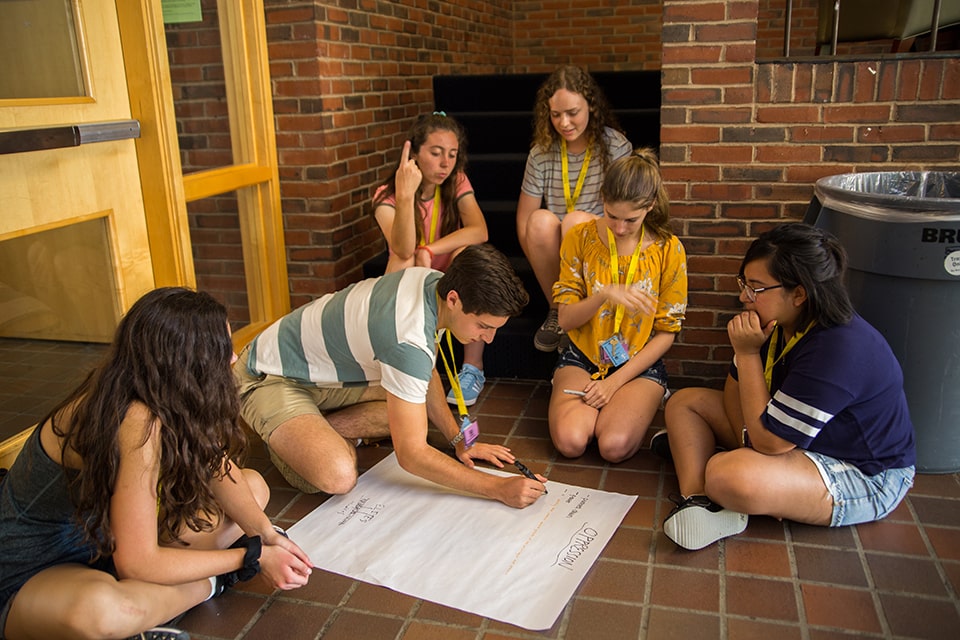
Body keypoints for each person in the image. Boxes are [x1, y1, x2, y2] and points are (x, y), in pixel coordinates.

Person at [0, 288, 312, 640]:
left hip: (106, 546)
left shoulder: (158, 391)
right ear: (186, 362)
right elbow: (137, 564)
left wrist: (266, 535)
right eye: (222, 349)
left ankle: (164, 599)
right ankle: (209, 584)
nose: (233, 357)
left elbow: (217, 467)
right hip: (32, 573)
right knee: (102, 612)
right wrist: (248, 557)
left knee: (252, 487)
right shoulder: (133, 417)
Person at [659, 223, 916, 551]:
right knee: (684, 402)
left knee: (728, 474)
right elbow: (736, 398)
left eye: (756, 288)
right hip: (789, 439)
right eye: (744, 283)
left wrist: (747, 354)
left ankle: (725, 479)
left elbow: (769, 443)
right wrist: (749, 440)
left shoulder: (839, 348)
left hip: (864, 472)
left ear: (799, 294)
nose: (743, 297)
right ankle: (698, 501)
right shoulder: (779, 322)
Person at [235, 243, 547, 508]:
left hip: (325, 373)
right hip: (269, 376)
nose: (488, 339)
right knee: (338, 475)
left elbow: (423, 371)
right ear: (454, 299)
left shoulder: (432, 282)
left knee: (410, 417)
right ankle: (286, 441)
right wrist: (497, 488)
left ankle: (312, 429)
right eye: (484, 326)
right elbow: (411, 456)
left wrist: (458, 440)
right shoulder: (408, 335)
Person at [549, 149, 687, 463]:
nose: (620, 228)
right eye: (612, 216)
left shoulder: (669, 249)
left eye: (631, 220)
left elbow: (667, 333)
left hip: (638, 362)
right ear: (602, 199)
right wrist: (603, 295)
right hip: (583, 354)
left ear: (650, 206)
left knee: (613, 447)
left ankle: (638, 400)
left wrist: (613, 383)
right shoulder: (579, 238)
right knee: (570, 442)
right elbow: (566, 320)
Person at [372, 112, 490, 406]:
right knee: (404, 260)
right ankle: (408, 366)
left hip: (445, 270)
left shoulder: (456, 181)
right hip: (409, 274)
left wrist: (431, 250)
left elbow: (480, 230)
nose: (445, 163)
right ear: (414, 153)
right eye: (436, 153)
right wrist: (405, 195)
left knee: (468, 254)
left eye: (452, 154)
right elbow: (403, 248)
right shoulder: (386, 196)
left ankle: (472, 367)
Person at [516, 65, 633, 353]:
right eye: (556, 114)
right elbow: (523, 220)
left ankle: (583, 313)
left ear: (591, 106)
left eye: (572, 112)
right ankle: (559, 311)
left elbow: (626, 213)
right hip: (559, 249)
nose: (564, 123)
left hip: (602, 243)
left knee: (575, 222)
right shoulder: (541, 153)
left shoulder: (615, 146)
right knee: (539, 221)